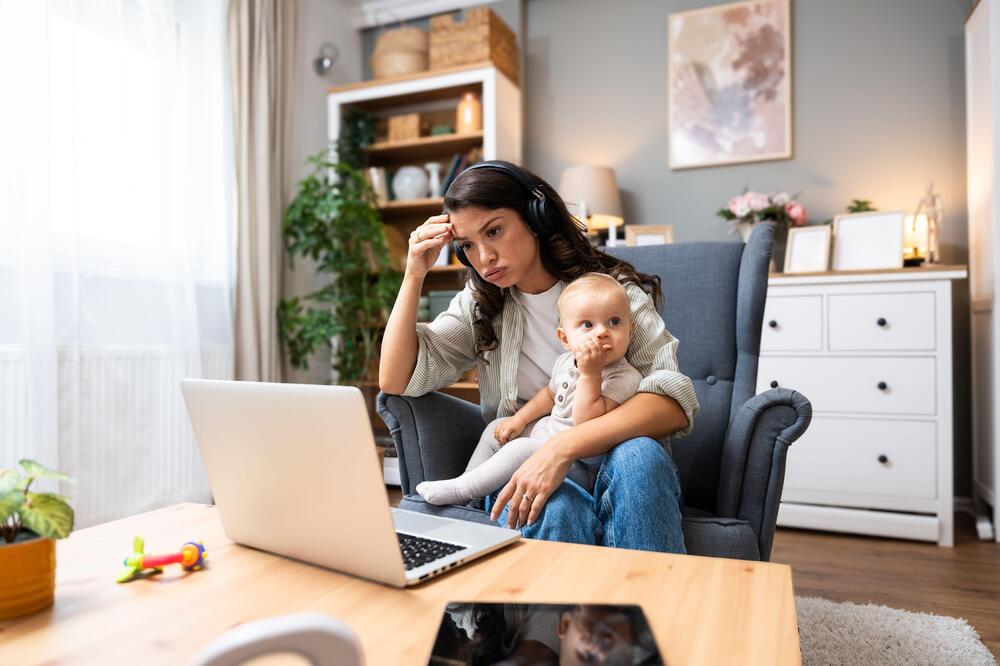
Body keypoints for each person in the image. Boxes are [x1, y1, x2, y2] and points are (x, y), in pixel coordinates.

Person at [378, 160, 699, 553]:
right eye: (468, 246)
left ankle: (657, 610)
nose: (484, 258)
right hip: (525, 470)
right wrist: (413, 275)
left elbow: (671, 403)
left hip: (613, 466)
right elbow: (395, 379)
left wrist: (562, 449)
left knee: (641, 456)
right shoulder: (481, 306)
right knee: (553, 506)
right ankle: (567, 615)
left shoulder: (614, 299)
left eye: (494, 231)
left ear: (535, 217)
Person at [416, 273, 643, 505]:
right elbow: (549, 395)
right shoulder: (566, 362)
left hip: (582, 462)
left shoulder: (625, 377)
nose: (602, 332)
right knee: (498, 428)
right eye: (587, 325)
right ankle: (469, 485)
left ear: (630, 331)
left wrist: (590, 374)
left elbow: (586, 423)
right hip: (548, 435)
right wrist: (520, 420)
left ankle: (461, 490)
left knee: (521, 449)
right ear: (565, 338)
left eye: (614, 322)